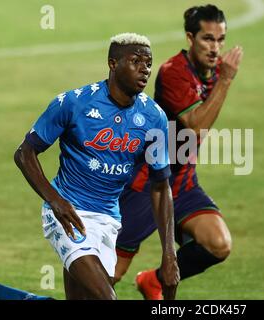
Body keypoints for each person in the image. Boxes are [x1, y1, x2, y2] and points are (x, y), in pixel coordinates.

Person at [11, 33, 179, 300]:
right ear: (113, 64)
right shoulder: (74, 103)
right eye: (135, 61)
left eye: (148, 63)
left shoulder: (154, 117)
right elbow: (25, 153)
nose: (144, 69)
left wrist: (169, 254)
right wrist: (55, 200)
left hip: (109, 221)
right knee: (106, 297)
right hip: (68, 215)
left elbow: (160, 186)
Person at [114, 5, 243, 299]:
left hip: (182, 180)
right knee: (111, 273)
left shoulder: (212, 72)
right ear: (190, 37)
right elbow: (195, 126)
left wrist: (220, 78)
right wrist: (226, 80)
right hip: (148, 183)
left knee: (218, 243)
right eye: (208, 39)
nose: (215, 48)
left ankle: (154, 282)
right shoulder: (174, 73)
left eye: (221, 40)